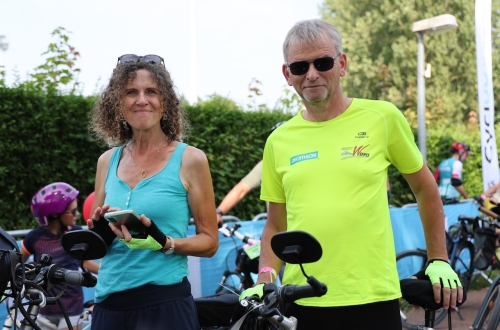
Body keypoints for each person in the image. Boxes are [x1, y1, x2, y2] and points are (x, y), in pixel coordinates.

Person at [241, 19, 462, 330]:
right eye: (301, 66)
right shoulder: (278, 141)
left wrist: (438, 258)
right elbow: (276, 223)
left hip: (372, 298)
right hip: (303, 300)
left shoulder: (382, 117)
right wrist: (264, 279)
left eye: (323, 62)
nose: (312, 74)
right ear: (287, 74)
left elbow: (425, 188)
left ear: (341, 64)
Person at [87, 54, 218, 330]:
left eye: (152, 92)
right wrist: (98, 231)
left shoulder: (190, 159)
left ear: (165, 102)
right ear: (118, 103)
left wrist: (165, 242)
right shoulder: (106, 161)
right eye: (131, 92)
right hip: (108, 305)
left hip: (164, 305)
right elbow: (95, 245)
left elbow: (209, 241)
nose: (141, 100)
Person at [22, 182, 99, 330]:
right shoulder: (34, 238)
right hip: (41, 307)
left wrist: (110, 273)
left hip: (72, 306)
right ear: (55, 215)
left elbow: (85, 263)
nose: (77, 214)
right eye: (73, 211)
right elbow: (17, 262)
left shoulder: (75, 233)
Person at [215, 121, 286, 225]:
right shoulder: (267, 164)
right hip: (279, 231)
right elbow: (241, 189)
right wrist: (218, 213)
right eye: (275, 139)